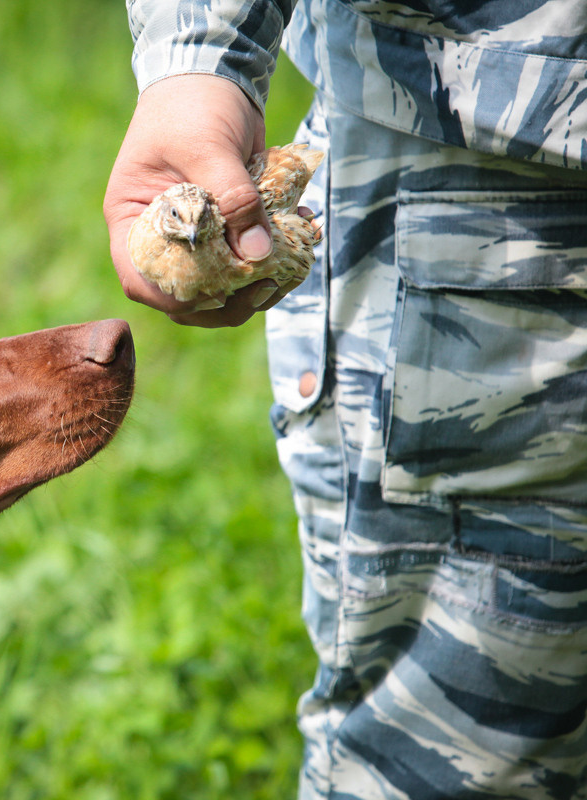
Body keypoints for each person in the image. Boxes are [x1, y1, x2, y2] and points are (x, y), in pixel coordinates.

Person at [103, 1, 587, 798]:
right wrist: (198, 64)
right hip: (483, 188)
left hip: (492, 202)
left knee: (454, 759)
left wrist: (200, 50)